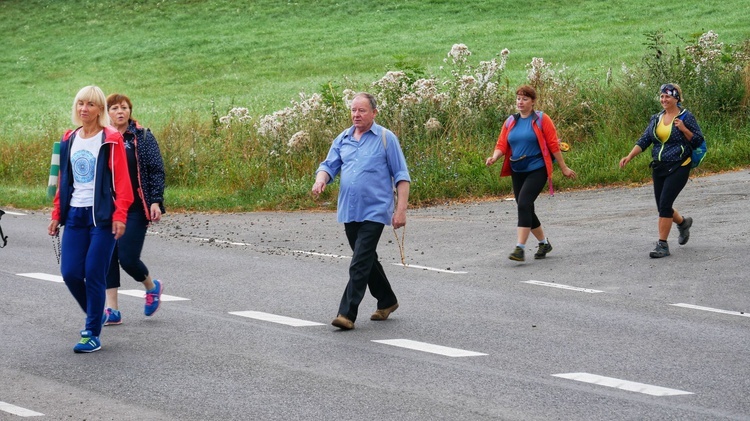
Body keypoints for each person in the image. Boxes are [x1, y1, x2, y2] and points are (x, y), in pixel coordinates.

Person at [312, 92, 411, 330]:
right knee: (366, 258)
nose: (356, 114)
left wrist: (401, 211)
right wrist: (321, 180)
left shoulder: (386, 138)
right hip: (349, 209)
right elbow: (329, 165)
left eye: (362, 110)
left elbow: (402, 176)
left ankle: (346, 314)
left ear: (374, 113)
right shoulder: (343, 138)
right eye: (353, 110)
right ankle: (387, 300)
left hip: (375, 210)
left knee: (359, 261)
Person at [47, 86, 133, 353]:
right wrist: (56, 215)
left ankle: (91, 332)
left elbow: (122, 182)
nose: (84, 109)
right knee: (71, 273)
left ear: (100, 110)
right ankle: (99, 314)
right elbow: (64, 181)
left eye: (91, 105)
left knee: (94, 273)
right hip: (74, 214)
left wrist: (120, 216)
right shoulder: (69, 138)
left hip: (103, 218)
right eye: (80, 104)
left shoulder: (110, 139)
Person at [485, 85, 577, 262]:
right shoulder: (511, 121)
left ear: (533, 102)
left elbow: (553, 145)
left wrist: (564, 168)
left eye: (525, 99)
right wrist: (494, 157)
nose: (520, 102)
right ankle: (544, 243)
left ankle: (520, 248)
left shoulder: (542, 119)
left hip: (537, 168)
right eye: (518, 98)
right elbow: (501, 144)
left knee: (524, 203)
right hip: (517, 169)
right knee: (524, 205)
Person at [619, 83, 704, 258]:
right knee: (662, 206)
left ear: (676, 99)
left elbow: (697, 141)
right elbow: (645, 140)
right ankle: (683, 223)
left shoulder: (686, 117)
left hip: (679, 165)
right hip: (659, 167)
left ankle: (662, 245)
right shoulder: (656, 118)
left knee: (665, 204)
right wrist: (629, 156)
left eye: (668, 97)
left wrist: (684, 129)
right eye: (662, 96)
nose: (664, 100)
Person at [102, 93, 166, 325]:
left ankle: (151, 286)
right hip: (108, 207)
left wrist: (155, 200)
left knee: (128, 258)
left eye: (125, 108)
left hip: (136, 207)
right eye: (115, 108)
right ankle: (113, 310)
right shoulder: (102, 137)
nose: (121, 112)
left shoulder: (142, 137)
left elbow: (157, 170)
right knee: (107, 255)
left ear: (130, 111)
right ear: (107, 112)